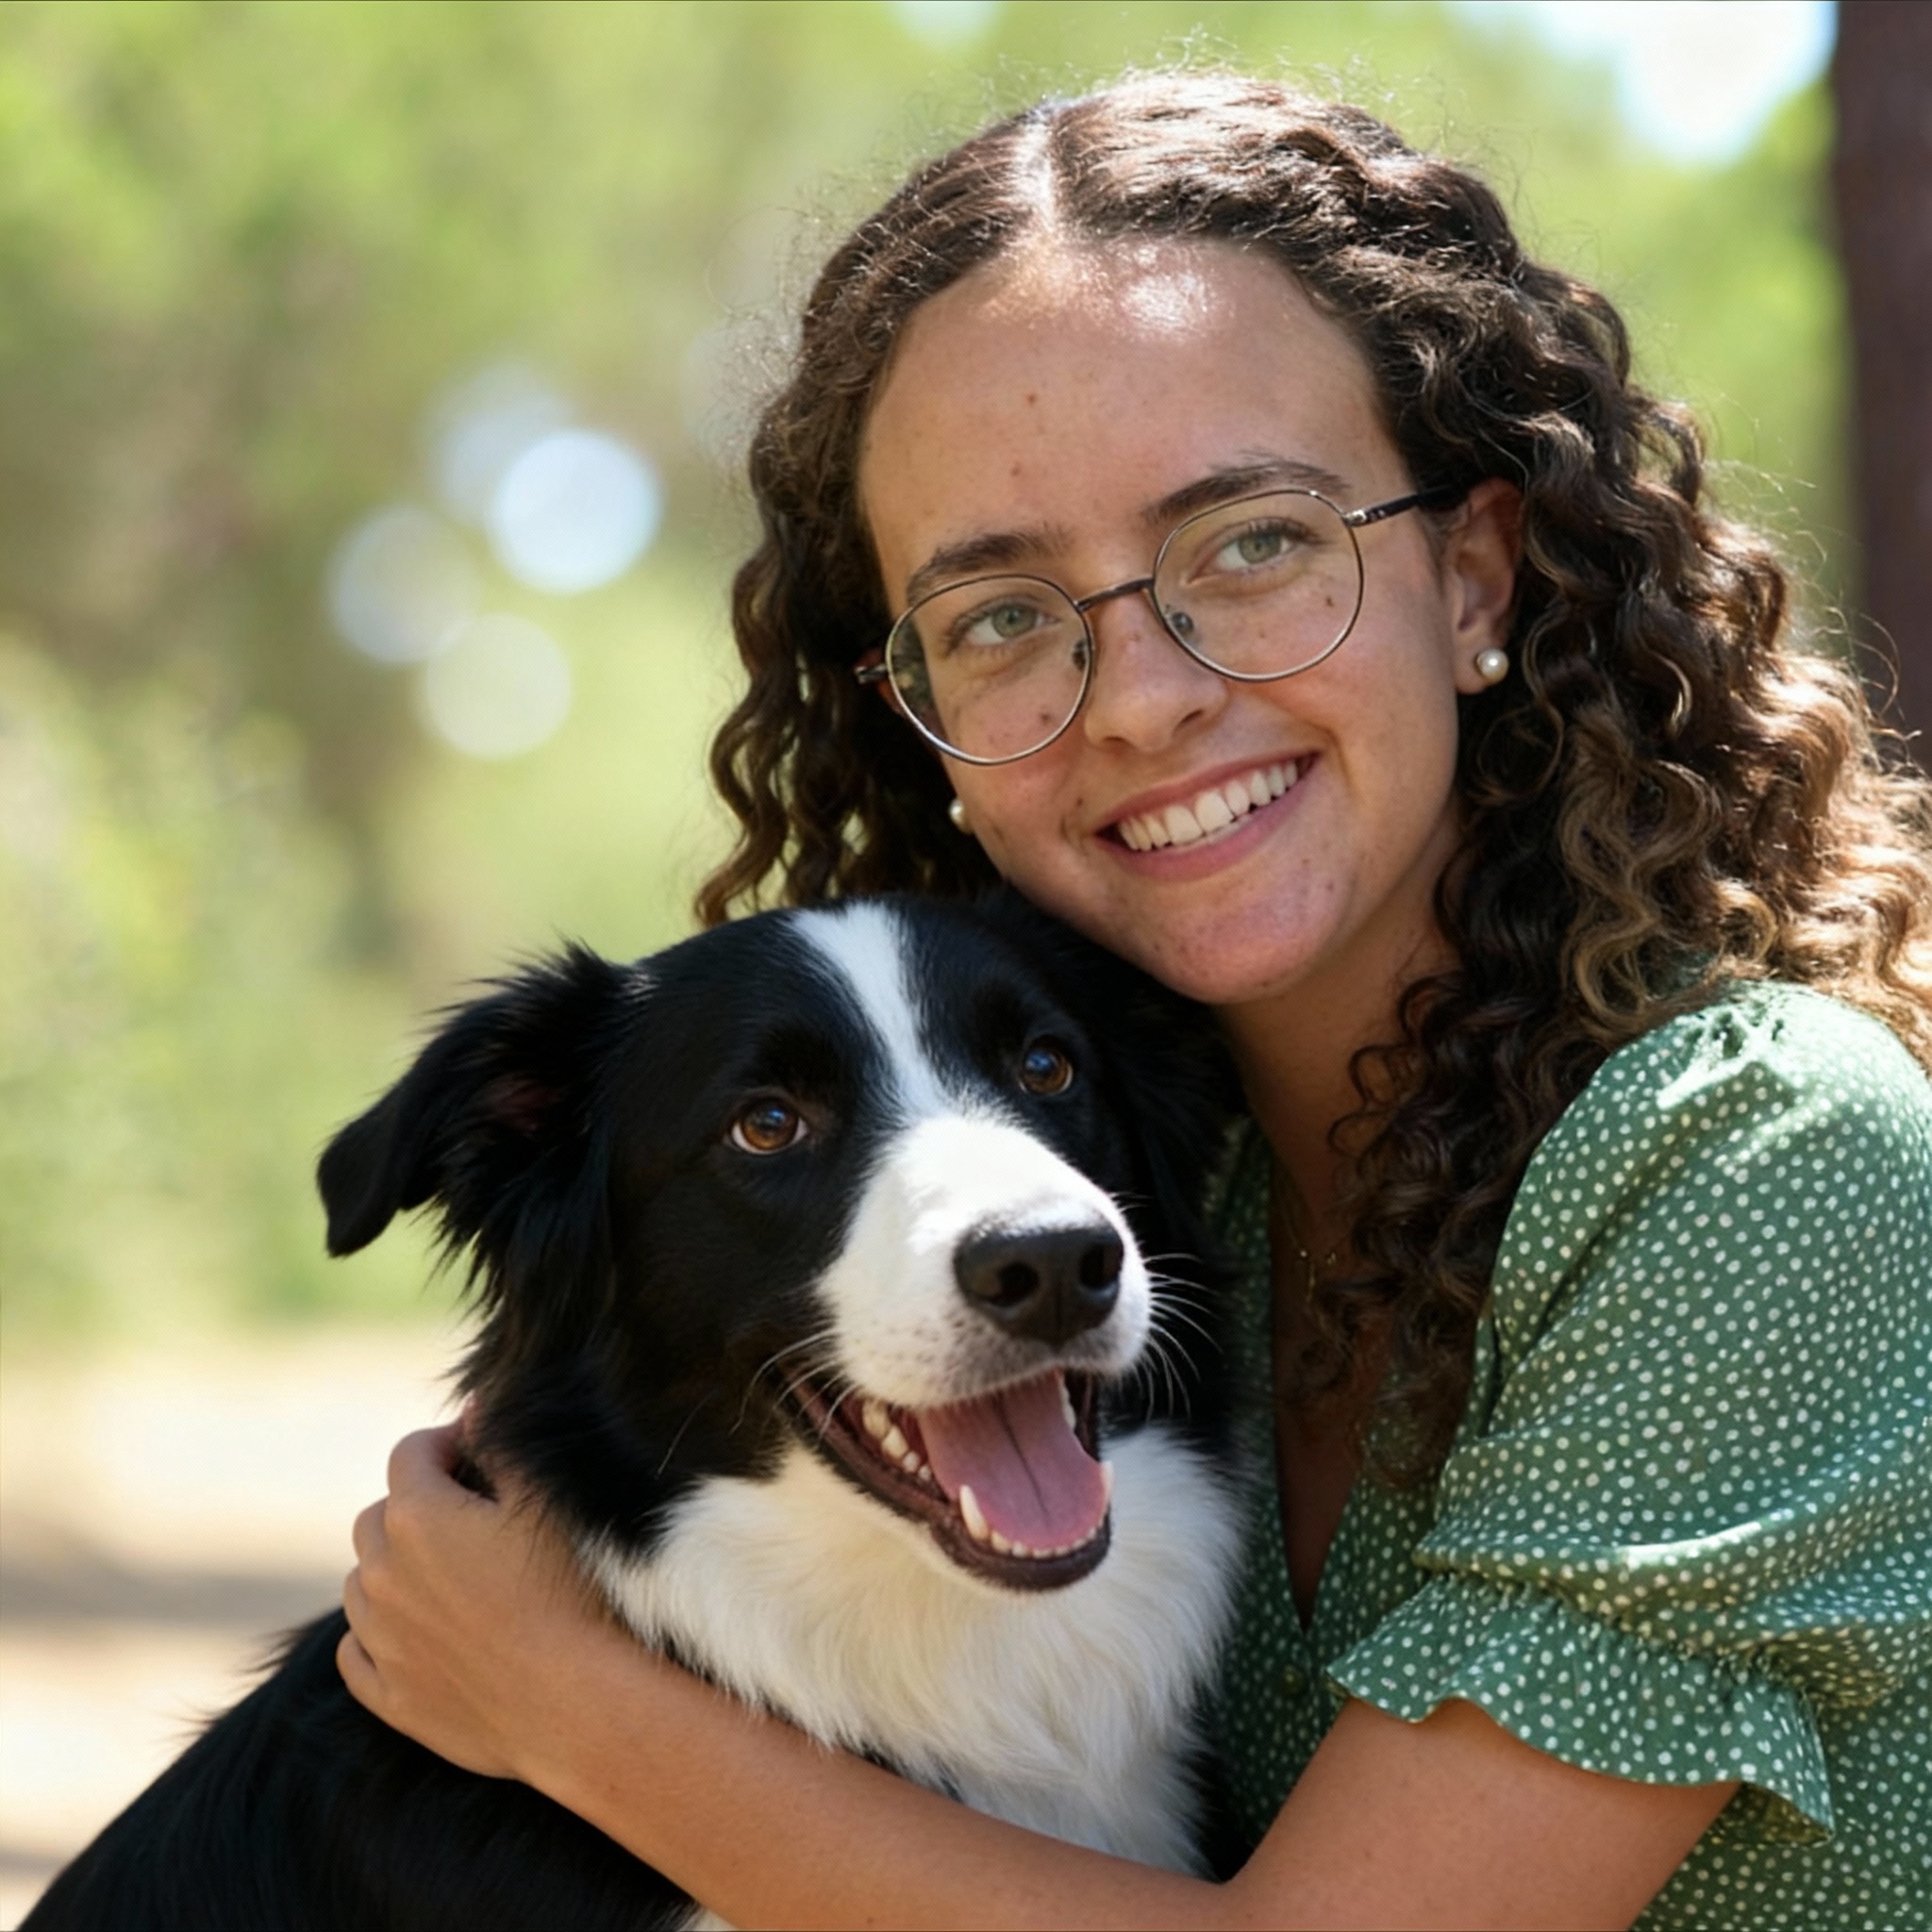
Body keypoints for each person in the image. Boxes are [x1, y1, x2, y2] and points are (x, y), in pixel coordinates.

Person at [337, 74, 1932, 1929]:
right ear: (917, 708)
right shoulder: (1160, 1176)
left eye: (1251, 542)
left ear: (1473, 573)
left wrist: (569, 1711)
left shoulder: (1760, 1159)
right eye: (1004, 612)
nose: (1142, 697)